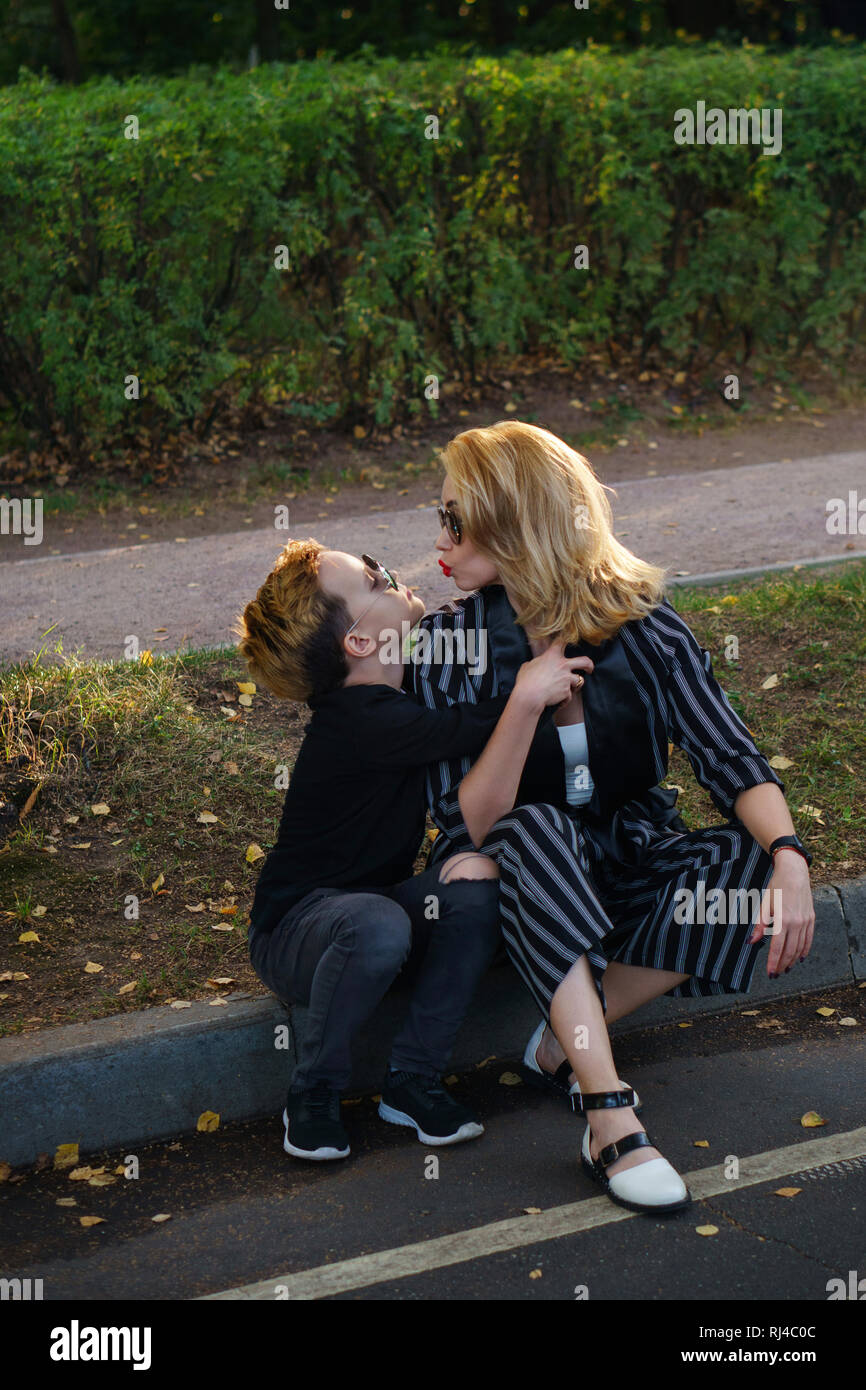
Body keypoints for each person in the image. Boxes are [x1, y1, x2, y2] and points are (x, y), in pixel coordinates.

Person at [407, 420, 816, 1215]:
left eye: (455, 520)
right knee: (534, 828)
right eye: (442, 517)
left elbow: (731, 758)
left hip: (629, 859)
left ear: (519, 521)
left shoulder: (648, 628)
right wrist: (524, 699)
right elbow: (473, 824)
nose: (440, 543)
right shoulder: (446, 645)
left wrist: (793, 859)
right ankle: (609, 1116)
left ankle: (565, 1039)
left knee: (757, 860)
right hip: (527, 872)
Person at [235, 537, 582, 1162]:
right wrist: (532, 690)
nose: (390, 575)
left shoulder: (398, 693)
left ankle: (412, 1079)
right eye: (374, 579)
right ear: (360, 642)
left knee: (473, 894)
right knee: (376, 922)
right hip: (295, 933)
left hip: (376, 915)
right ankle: (313, 1092)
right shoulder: (360, 718)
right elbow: (469, 725)